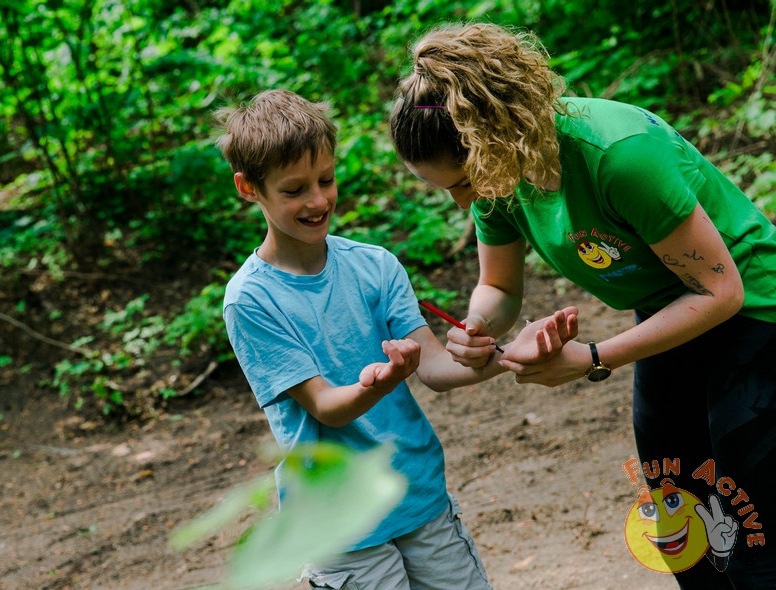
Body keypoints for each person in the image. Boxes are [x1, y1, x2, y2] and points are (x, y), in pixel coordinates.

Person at [389, 21, 776, 590]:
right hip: (667, 312)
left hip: (755, 313)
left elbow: (721, 291)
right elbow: (499, 287)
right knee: (680, 518)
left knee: (750, 525)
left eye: (463, 181)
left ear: (495, 138)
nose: (460, 199)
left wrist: (594, 357)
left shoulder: (618, 155)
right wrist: (478, 326)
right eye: (445, 187)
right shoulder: (497, 174)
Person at [218, 89, 579, 589]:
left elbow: (434, 367)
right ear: (248, 188)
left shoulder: (375, 266)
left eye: (326, 180)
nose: (318, 200)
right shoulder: (251, 300)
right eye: (294, 189)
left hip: (417, 493)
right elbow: (326, 407)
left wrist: (508, 354)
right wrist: (381, 382)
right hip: (338, 526)